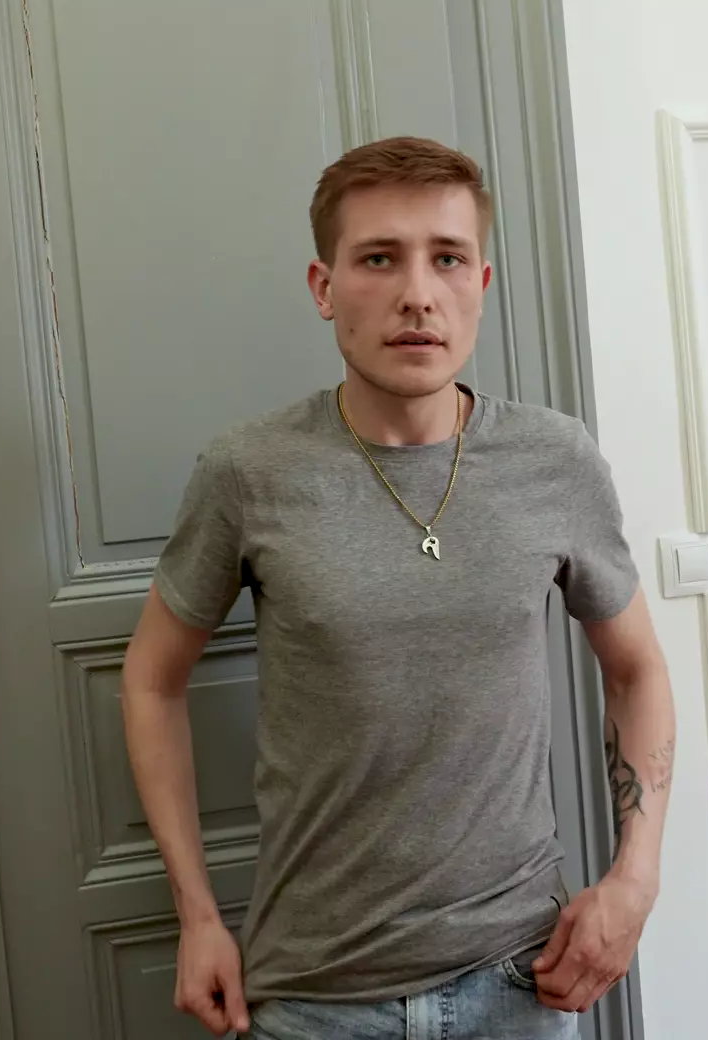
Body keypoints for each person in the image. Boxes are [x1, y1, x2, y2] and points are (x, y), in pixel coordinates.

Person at [120, 136, 677, 1040]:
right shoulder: (250, 472)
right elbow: (152, 680)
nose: (418, 293)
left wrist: (635, 879)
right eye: (379, 258)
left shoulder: (555, 460)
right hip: (316, 992)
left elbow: (638, 670)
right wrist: (198, 917)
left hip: (523, 978)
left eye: (447, 258)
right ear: (324, 286)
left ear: (481, 284)